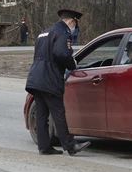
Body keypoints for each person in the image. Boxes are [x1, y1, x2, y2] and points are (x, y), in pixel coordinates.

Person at [25, 9, 90, 156]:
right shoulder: (63, 33)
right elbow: (61, 53)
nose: (74, 28)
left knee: (42, 114)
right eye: (75, 24)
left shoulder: (45, 32)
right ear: (71, 21)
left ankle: (44, 146)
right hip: (50, 79)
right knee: (58, 113)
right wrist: (72, 63)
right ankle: (70, 145)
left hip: (36, 76)